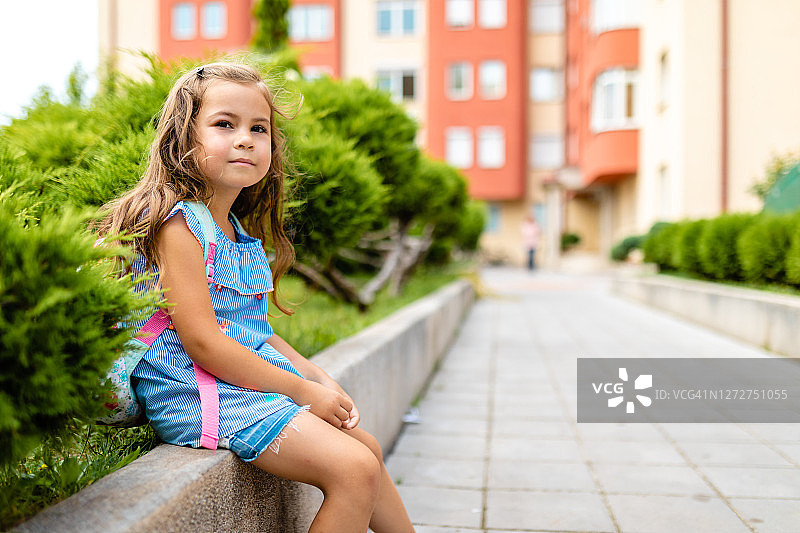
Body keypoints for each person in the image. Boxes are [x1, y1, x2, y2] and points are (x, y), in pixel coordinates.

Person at [99, 62, 414, 532]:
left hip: (236, 386)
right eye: (225, 124)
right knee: (353, 469)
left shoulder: (236, 233)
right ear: (183, 138)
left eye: (259, 128)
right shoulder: (179, 226)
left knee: (366, 448)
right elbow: (205, 343)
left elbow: (254, 333)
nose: (245, 138)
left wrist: (317, 377)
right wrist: (301, 391)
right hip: (199, 395)